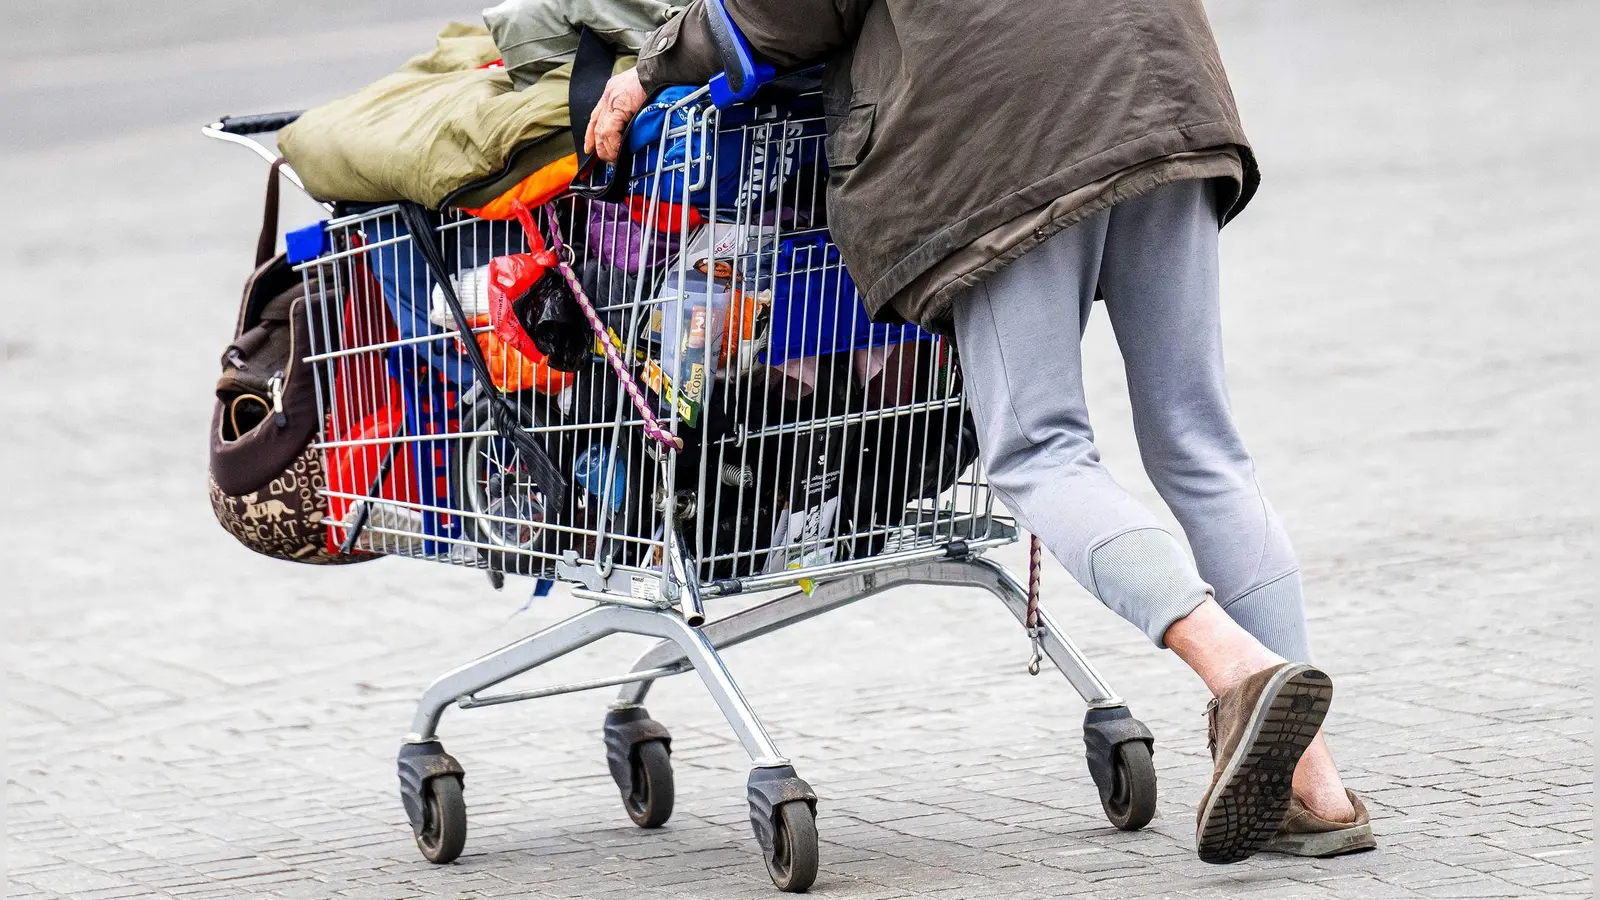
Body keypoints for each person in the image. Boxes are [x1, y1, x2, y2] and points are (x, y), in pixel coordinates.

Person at [587, 0, 1375, 863]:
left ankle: (1237, 670)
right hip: (1164, 90)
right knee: (1200, 444)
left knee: (1041, 452)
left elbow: (786, 11)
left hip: (1009, 131)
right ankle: (1317, 791)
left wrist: (649, 66)